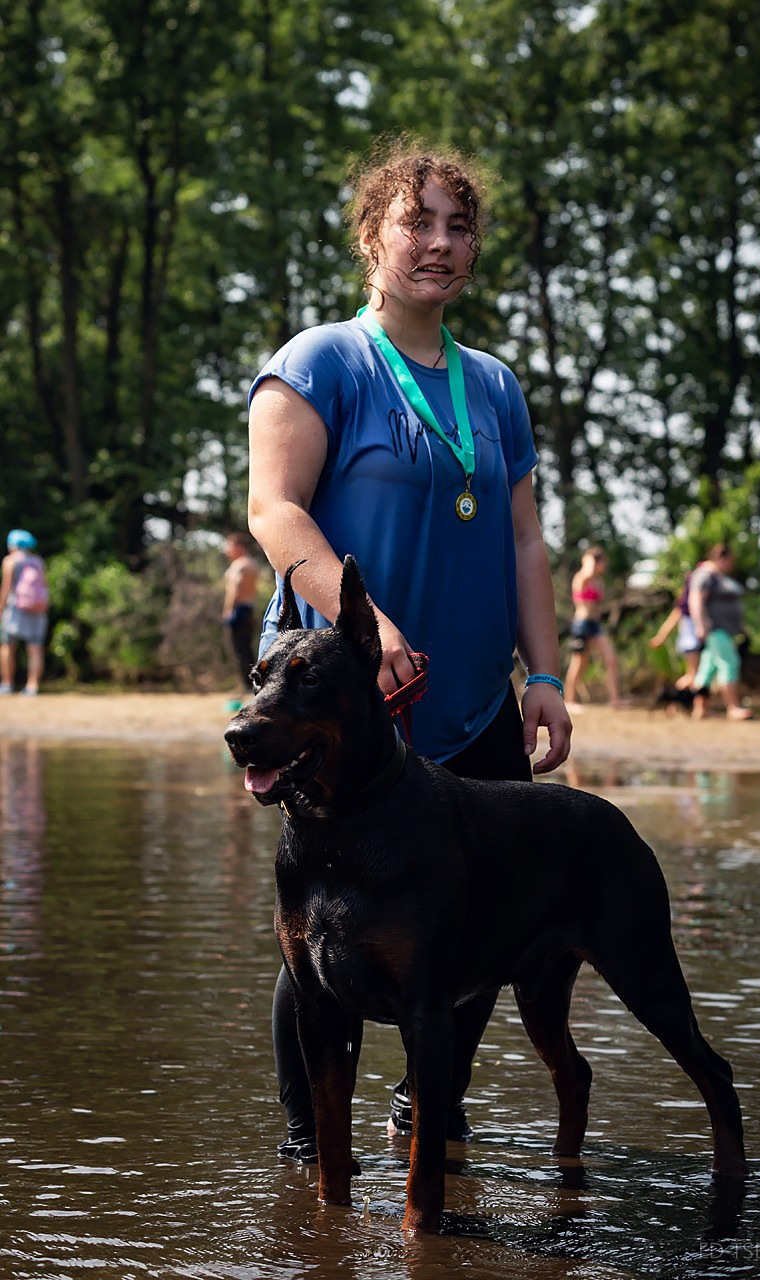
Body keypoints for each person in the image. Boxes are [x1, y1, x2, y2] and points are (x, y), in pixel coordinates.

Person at [246, 138, 572, 1160]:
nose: (439, 243)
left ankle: (422, 1107)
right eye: (416, 221)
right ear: (371, 235)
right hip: (341, 701)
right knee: (327, 930)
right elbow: (274, 509)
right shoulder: (320, 360)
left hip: (471, 703)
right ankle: (311, 1148)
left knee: (473, 919)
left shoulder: (496, 386)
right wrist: (369, 619)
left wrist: (546, 674)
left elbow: (523, 540)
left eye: (458, 225)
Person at [687, 544, 752, 720]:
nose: (731, 565)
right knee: (729, 663)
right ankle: (733, 707)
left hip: (724, 630)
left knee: (708, 668)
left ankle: (700, 708)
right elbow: (695, 599)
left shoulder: (718, 576)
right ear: (721, 558)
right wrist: (700, 625)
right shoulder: (705, 574)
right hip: (715, 629)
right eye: (730, 561)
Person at [563, 546, 625, 709]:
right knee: (579, 663)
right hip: (582, 624)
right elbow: (588, 572)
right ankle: (569, 700)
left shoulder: (598, 581)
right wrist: (589, 558)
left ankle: (614, 699)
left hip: (596, 625)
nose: (604, 566)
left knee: (611, 659)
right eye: (602, 562)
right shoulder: (582, 577)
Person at [0, 529, 49, 696]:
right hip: (37, 610)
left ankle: (7, 684)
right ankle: (32, 686)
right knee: (35, 648)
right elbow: (44, 586)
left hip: (15, 610)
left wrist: (1, 609)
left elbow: (6, 589)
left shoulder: (10, 561)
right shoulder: (38, 561)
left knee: (7, 646)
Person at [648, 567, 703, 690]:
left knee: (694, 674)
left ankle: (684, 703)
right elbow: (675, 616)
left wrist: (661, 636)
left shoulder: (692, 603)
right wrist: (661, 636)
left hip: (691, 641)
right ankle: (672, 698)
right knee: (693, 675)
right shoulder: (688, 605)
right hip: (690, 642)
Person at [222, 531, 261, 698]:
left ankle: (247, 685)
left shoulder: (239, 565)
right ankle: (252, 682)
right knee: (247, 648)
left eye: (229, 546)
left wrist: (228, 609)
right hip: (250, 608)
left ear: (239, 546)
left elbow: (235, 589)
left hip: (238, 609)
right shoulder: (252, 564)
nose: (226, 550)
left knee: (239, 649)